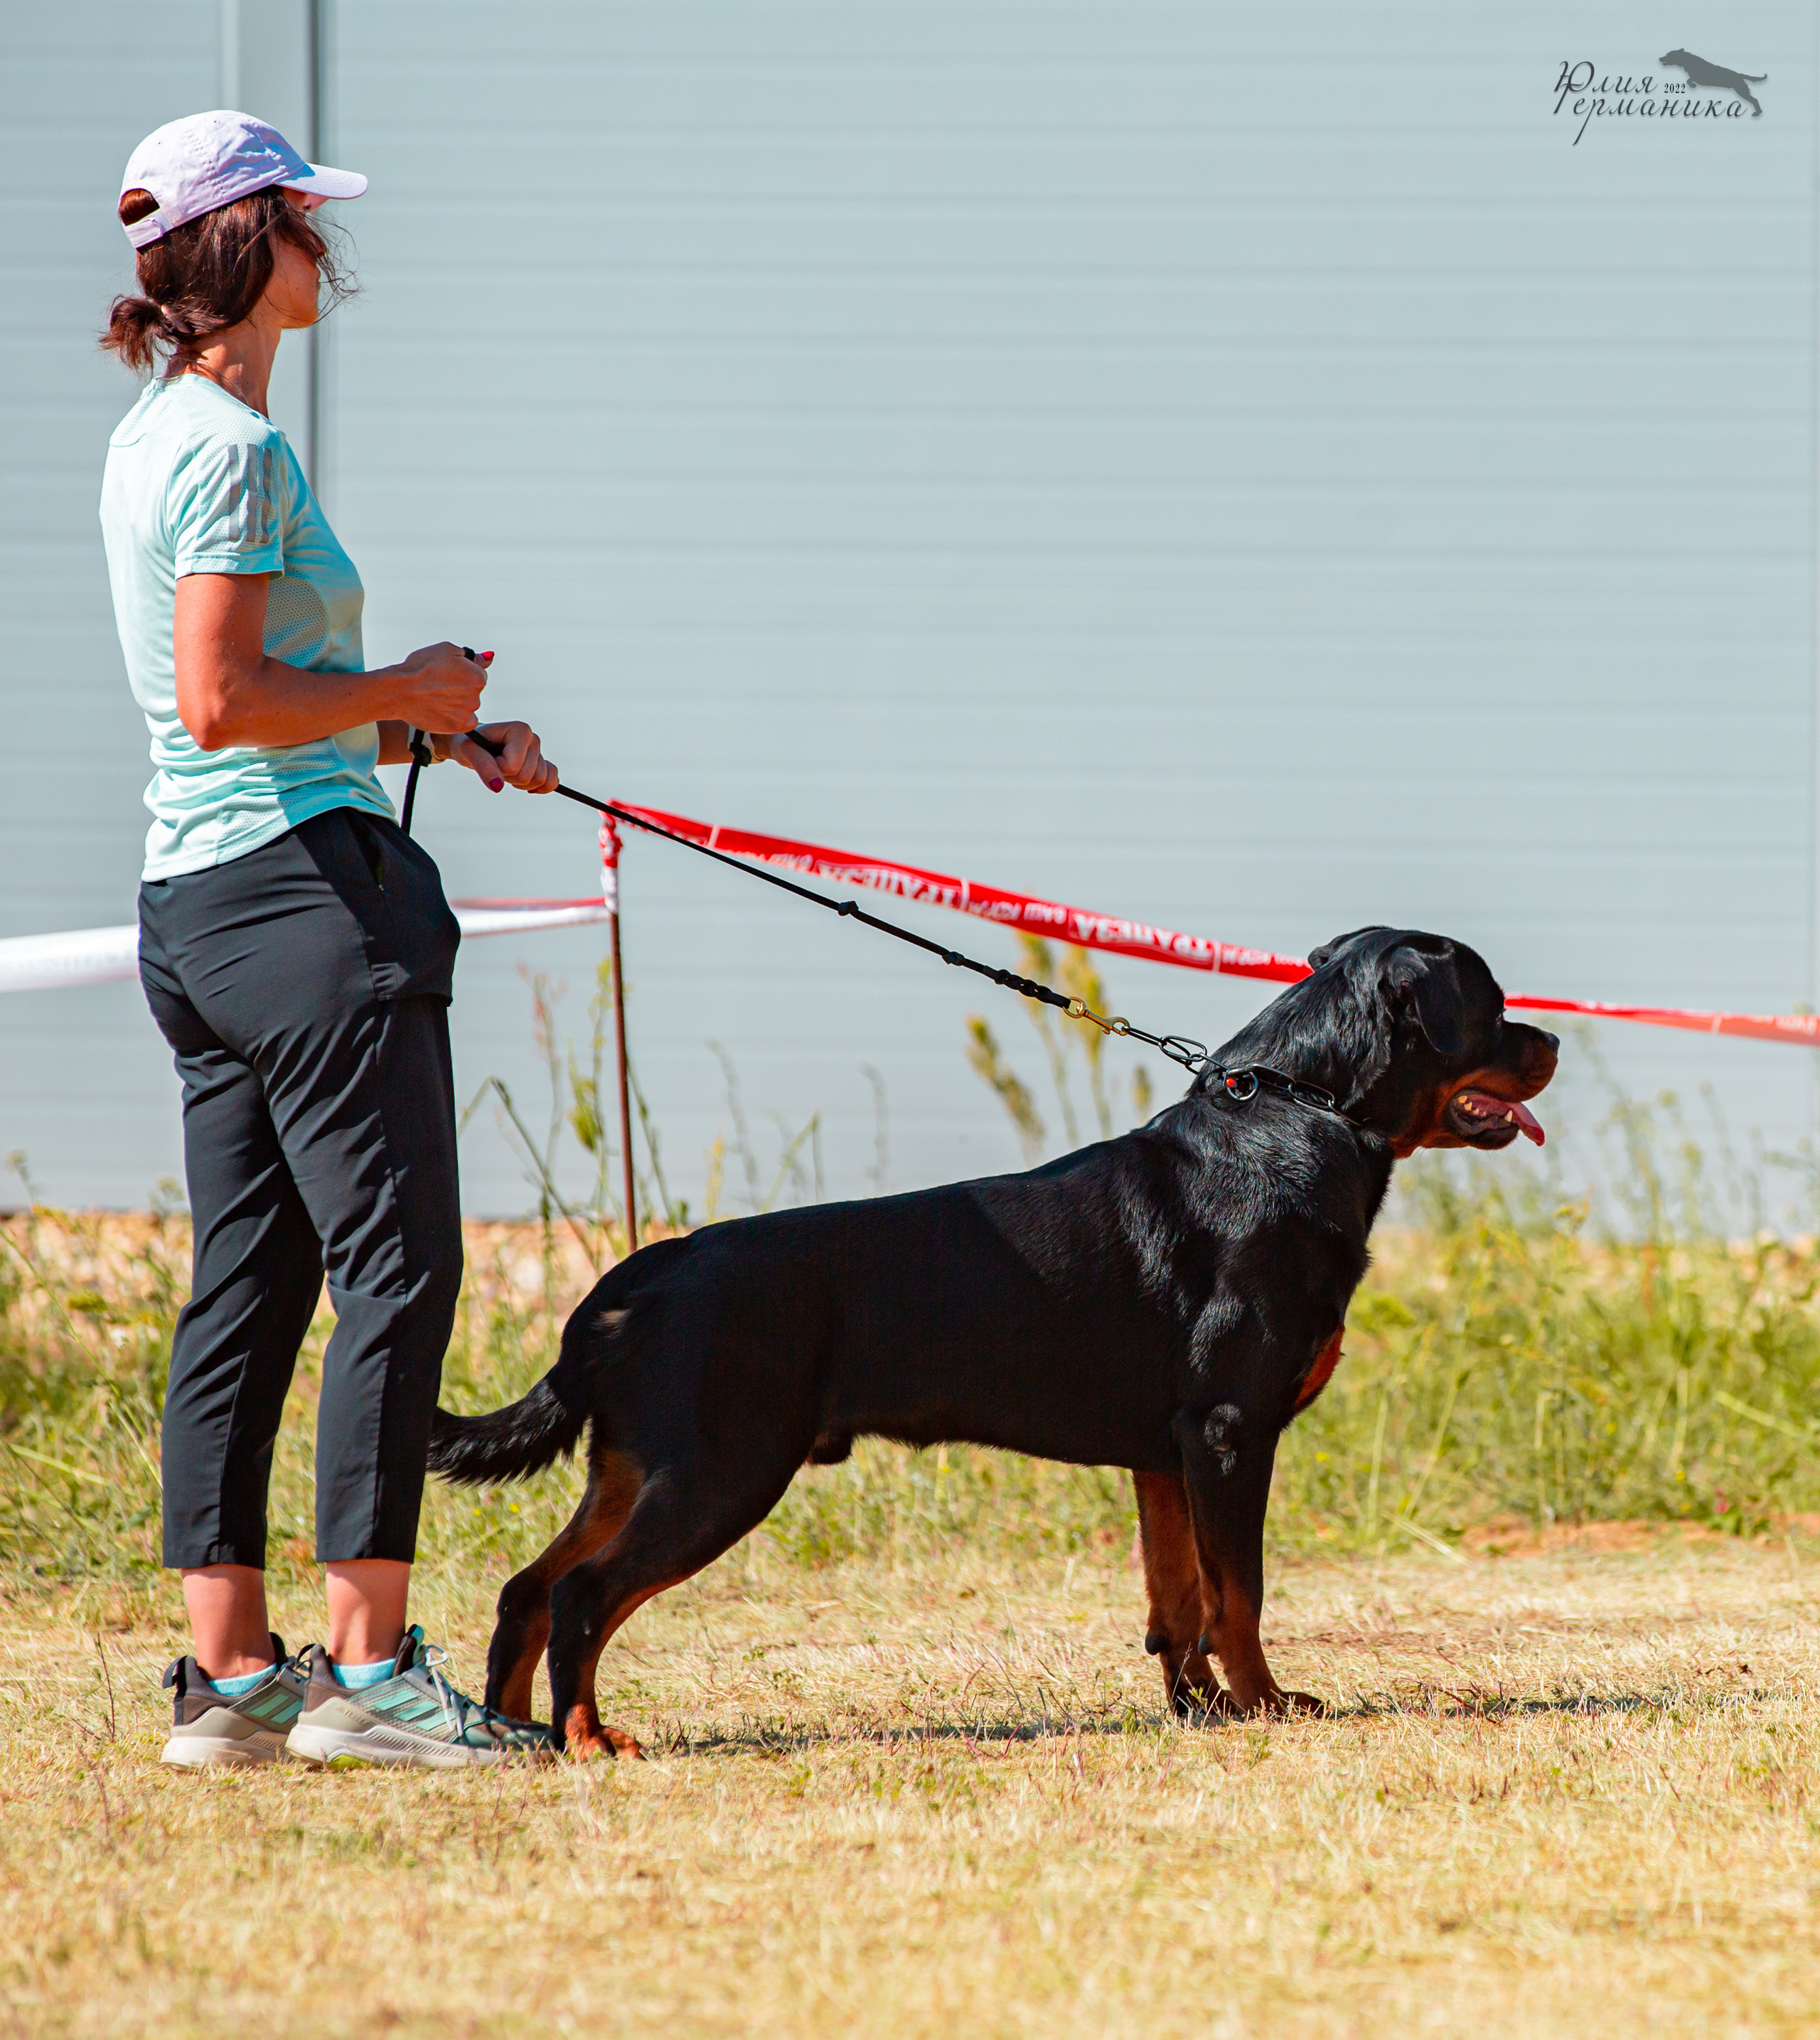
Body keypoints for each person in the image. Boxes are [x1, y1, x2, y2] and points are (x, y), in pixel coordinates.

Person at [99, 110, 558, 1768]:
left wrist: (436, 738)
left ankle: (230, 1685)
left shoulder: (152, 437)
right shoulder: (232, 451)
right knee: (395, 1264)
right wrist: (406, 688)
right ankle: (365, 1677)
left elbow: (228, 714)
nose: (322, 249)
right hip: (301, 907)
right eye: (299, 222)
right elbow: (229, 701)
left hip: (202, 908)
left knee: (249, 1282)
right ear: (245, 248)